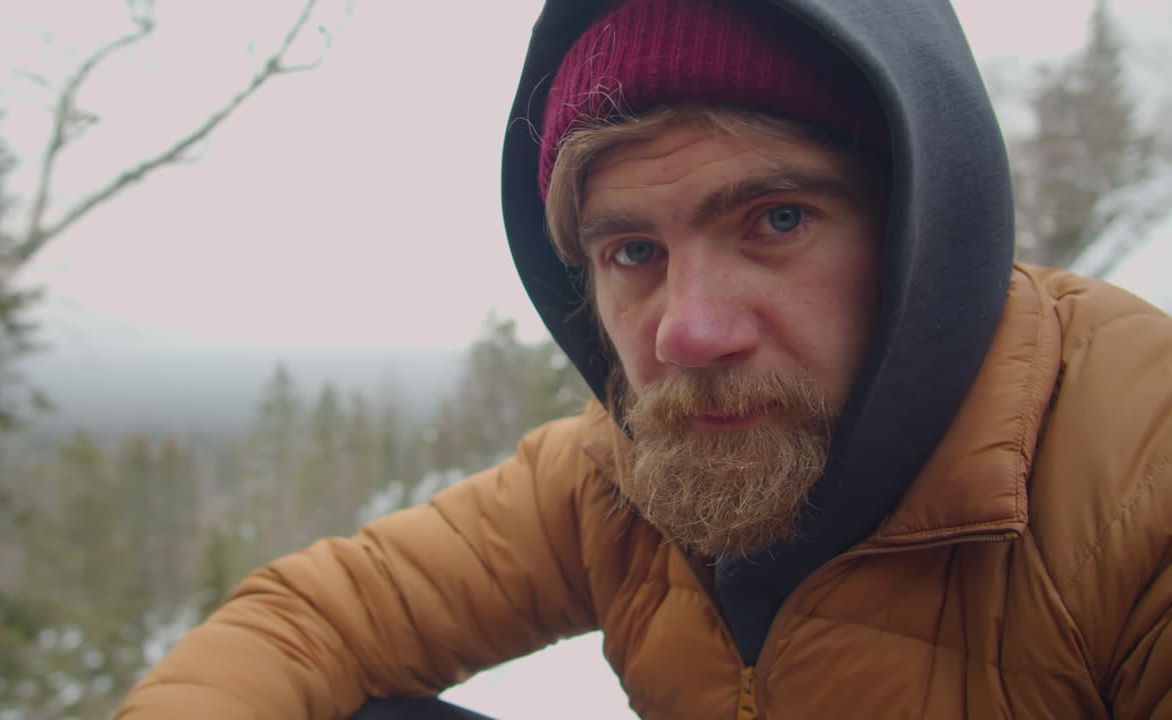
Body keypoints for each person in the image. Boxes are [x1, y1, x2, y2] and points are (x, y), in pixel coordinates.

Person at [116, 0, 1172, 717]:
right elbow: (317, 616)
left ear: (923, 224)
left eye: (777, 219)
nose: (685, 332)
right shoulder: (623, 474)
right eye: (631, 251)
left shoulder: (1134, 468)